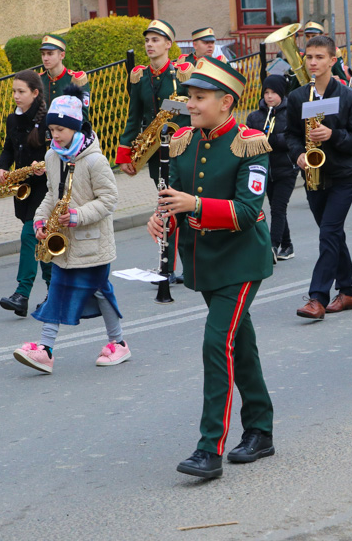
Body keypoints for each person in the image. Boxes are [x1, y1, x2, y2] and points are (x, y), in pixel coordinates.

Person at [147, 56, 274, 479]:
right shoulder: (185, 140)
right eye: (190, 97)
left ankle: (208, 449)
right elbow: (174, 197)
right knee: (243, 344)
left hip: (241, 261)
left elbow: (246, 209)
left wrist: (194, 205)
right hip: (204, 262)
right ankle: (260, 429)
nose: (192, 105)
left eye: (200, 98)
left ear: (226, 102)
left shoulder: (250, 142)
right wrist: (162, 214)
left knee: (216, 344)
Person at [13, 85, 128, 374]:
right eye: (52, 129)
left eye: (61, 129)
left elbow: (109, 200)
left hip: (92, 242)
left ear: (76, 128)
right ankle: (46, 350)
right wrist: (41, 220)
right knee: (57, 292)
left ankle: (119, 343)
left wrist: (77, 215)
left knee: (101, 293)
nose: (55, 135)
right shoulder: (53, 156)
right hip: (65, 242)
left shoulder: (94, 160)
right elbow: (52, 195)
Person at [286, 35, 352, 320]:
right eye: (309, 57)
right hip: (313, 176)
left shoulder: (349, 97)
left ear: (333, 60)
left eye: (319, 57)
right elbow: (291, 136)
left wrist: (332, 135)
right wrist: (297, 154)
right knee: (332, 234)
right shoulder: (297, 97)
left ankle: (317, 298)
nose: (313, 62)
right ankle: (347, 292)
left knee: (328, 233)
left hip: (345, 175)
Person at [115, 19, 189, 283]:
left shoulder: (182, 73)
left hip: (182, 148)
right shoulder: (139, 76)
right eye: (147, 40)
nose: (149, 44)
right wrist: (125, 154)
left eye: (155, 40)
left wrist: (170, 113)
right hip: (156, 154)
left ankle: (186, 265)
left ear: (169, 44)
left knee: (181, 206)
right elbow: (133, 116)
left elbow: (191, 107)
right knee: (165, 205)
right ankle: (167, 267)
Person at [0, 70, 52, 317]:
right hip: (25, 190)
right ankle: (54, 292)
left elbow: (60, 151)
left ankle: (22, 293)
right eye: (14, 91)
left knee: (30, 234)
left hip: (47, 187)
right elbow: (9, 147)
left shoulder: (48, 119)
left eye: (21, 91)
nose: (16, 96)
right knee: (43, 241)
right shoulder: (12, 119)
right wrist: (1, 167)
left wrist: (46, 167)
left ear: (35, 93)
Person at [246, 73, 296, 261]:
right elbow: (249, 140)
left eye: (274, 92)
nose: (269, 96)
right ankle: (288, 245)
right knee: (277, 208)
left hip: (286, 169)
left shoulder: (291, 112)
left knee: (277, 208)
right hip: (265, 170)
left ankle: (272, 247)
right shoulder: (254, 116)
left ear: (282, 94)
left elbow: (291, 139)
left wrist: (271, 139)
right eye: (266, 92)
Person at [38, 33, 90, 126]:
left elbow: (83, 117)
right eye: (43, 54)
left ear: (62, 55)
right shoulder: (39, 80)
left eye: (50, 54)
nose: (45, 58)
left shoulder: (75, 79)